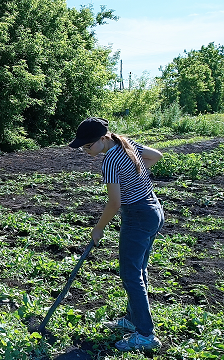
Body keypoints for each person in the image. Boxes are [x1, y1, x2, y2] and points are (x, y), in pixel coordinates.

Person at [68, 117, 164, 351]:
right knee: (138, 269)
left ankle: (145, 335)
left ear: (102, 139)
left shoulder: (110, 161)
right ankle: (134, 319)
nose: (85, 150)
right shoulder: (125, 144)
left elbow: (114, 203)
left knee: (130, 274)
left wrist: (98, 228)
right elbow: (155, 156)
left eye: (87, 146)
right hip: (153, 209)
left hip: (138, 215)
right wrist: (132, 176)